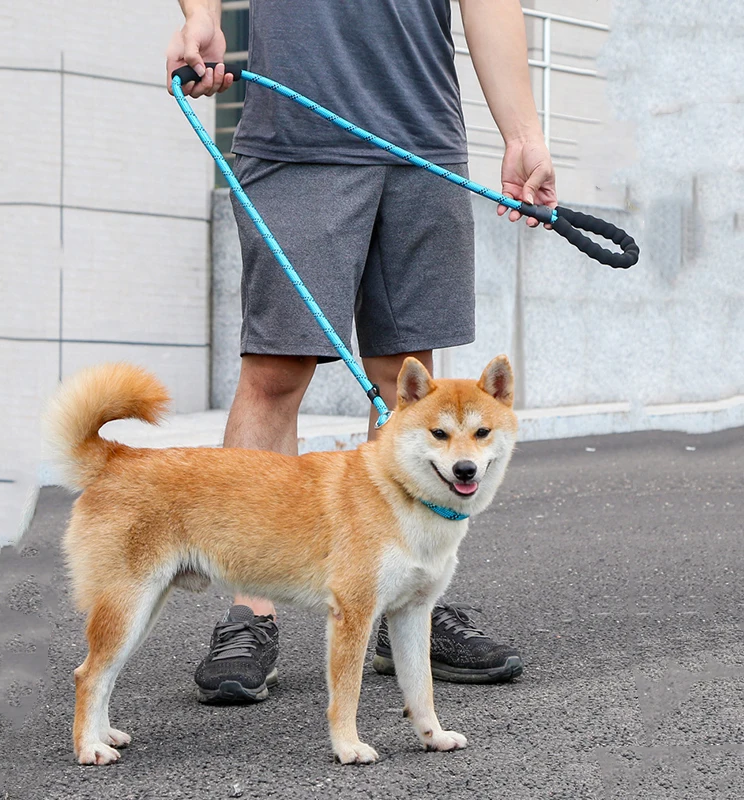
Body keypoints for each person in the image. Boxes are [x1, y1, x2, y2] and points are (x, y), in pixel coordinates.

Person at [166, 0, 557, 704]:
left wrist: (523, 132)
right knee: (275, 373)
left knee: (407, 379)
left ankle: (400, 604)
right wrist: (201, 14)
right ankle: (251, 609)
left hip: (422, 139)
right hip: (296, 141)